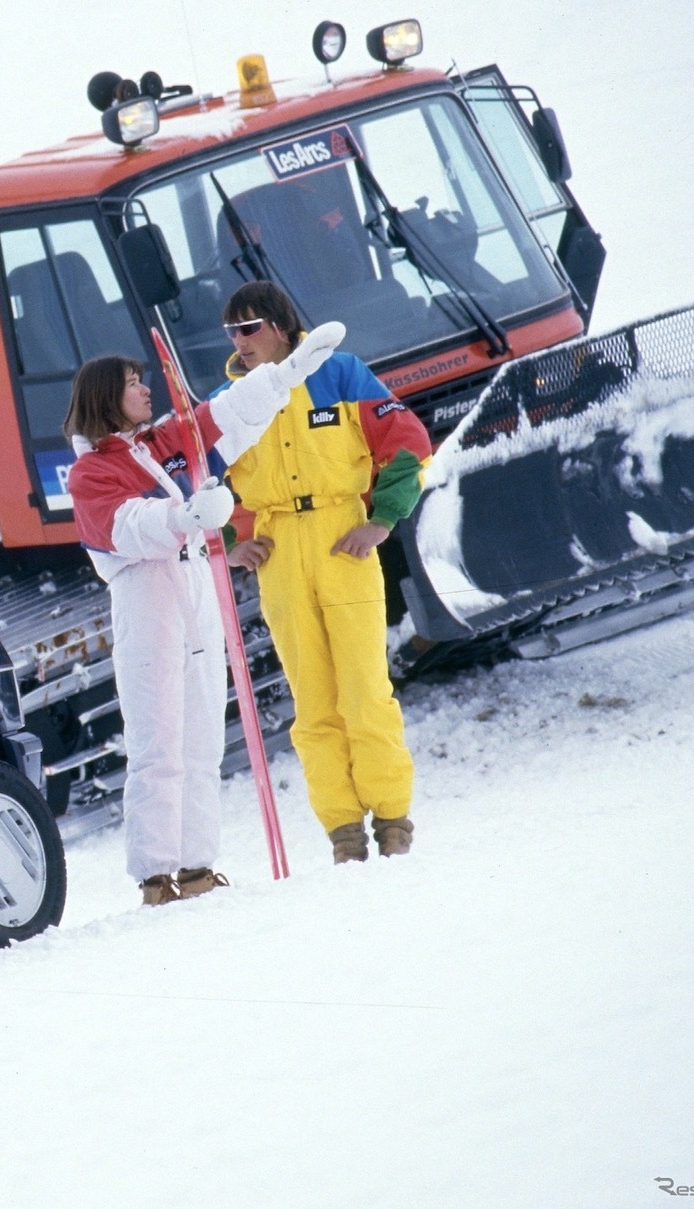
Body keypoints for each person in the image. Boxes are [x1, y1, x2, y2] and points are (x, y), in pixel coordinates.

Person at [65, 332, 340, 905]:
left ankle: (196, 865)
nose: (145, 388)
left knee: (202, 737)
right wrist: (185, 514)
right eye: (133, 383)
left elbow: (224, 417)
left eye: (143, 379)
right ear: (105, 398)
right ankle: (154, 873)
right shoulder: (91, 471)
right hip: (148, 599)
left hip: (195, 591)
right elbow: (121, 527)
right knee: (158, 739)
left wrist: (279, 378)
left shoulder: (166, 439)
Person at [215, 282, 432, 864]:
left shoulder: (342, 373)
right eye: (231, 331)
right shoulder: (230, 401)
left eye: (250, 326)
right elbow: (203, 486)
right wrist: (233, 541)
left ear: (281, 327)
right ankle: (343, 832)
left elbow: (407, 443)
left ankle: (392, 819)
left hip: (344, 540)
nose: (239, 340)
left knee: (365, 691)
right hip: (280, 550)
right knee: (313, 703)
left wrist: (381, 521)